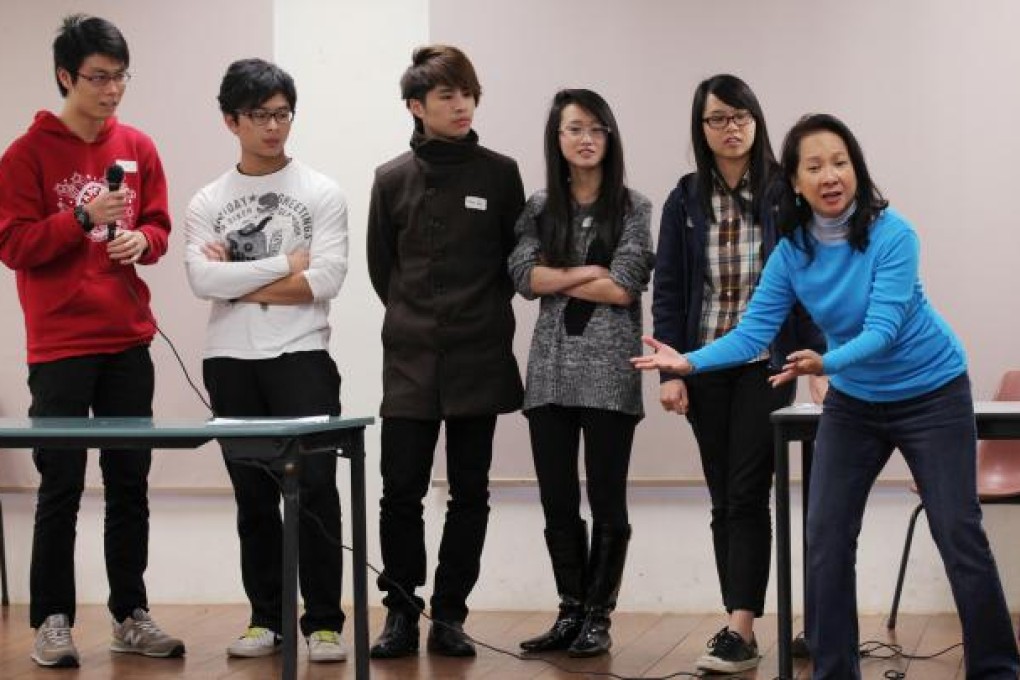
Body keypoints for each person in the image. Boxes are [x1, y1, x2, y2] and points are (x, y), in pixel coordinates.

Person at [633, 113, 1020, 679]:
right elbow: (752, 333)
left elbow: (883, 330)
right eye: (814, 166)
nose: (829, 174)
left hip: (931, 393)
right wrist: (688, 361)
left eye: (840, 162)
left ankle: (997, 670)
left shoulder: (895, 235)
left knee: (956, 530)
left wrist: (825, 362)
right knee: (826, 536)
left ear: (856, 170)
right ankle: (834, 671)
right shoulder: (791, 253)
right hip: (857, 404)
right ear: (793, 182)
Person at [0, 14, 184, 669]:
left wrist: (146, 241)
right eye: (99, 78)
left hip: (127, 341)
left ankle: (129, 614)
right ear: (64, 77)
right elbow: (15, 246)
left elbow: (160, 224)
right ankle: (53, 620)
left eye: (120, 77)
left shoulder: (137, 145)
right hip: (59, 347)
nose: (112, 91)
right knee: (61, 487)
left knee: (129, 483)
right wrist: (79, 218)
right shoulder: (26, 155)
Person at [651, 74, 823, 673]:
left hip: (765, 363)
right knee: (725, 495)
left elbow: (811, 280)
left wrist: (816, 356)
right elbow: (669, 290)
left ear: (756, 119)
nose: (731, 128)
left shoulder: (784, 190)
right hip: (702, 364)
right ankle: (738, 626)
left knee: (749, 490)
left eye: (741, 115)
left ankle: (741, 630)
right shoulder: (684, 199)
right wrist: (670, 372)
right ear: (702, 129)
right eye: (718, 118)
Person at [184, 58, 349, 663]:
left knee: (316, 494)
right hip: (230, 362)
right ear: (232, 120)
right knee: (252, 499)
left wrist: (237, 279)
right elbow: (202, 280)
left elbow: (326, 279)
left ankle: (325, 623)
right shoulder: (208, 199)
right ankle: (266, 620)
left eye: (282, 114)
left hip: (301, 356)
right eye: (260, 116)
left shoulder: (321, 191)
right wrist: (285, 265)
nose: (274, 127)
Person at [366, 44, 525, 659]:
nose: (462, 106)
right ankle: (401, 613)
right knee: (398, 491)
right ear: (416, 106)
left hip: (479, 353)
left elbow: (515, 262)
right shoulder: (391, 179)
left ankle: (451, 614)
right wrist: (419, 319)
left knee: (470, 491)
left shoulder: (500, 173)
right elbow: (386, 272)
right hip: (408, 358)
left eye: (468, 94)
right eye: (446, 97)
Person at [508, 89, 652, 658]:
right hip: (548, 373)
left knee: (608, 499)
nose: (586, 138)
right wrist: (586, 269)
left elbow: (624, 284)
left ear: (609, 137)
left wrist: (558, 273)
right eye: (574, 129)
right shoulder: (540, 206)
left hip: (611, 374)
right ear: (558, 139)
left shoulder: (634, 207)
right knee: (557, 500)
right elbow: (522, 276)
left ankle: (599, 616)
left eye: (595, 128)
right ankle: (569, 610)